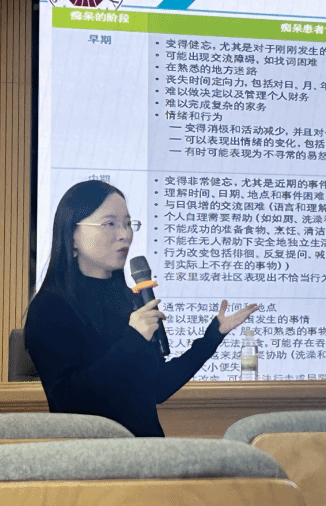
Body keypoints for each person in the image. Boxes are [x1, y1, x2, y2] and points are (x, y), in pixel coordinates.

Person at [24, 180, 258, 437]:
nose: (124, 234)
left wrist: (212, 337)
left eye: (127, 223)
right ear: (72, 235)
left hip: (147, 450)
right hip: (93, 453)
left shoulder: (129, 299)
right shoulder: (50, 308)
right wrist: (133, 340)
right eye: (110, 223)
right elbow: (68, 401)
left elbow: (156, 388)